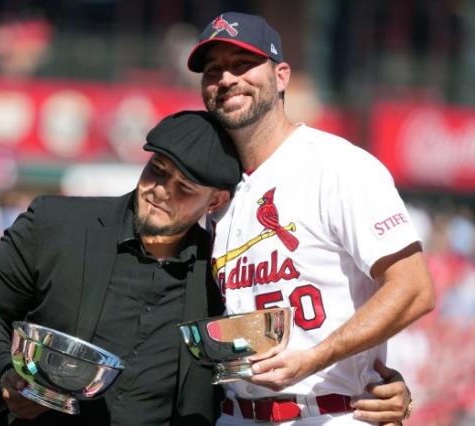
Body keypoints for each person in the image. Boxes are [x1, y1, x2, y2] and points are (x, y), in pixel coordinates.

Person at [186, 12, 435, 425]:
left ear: (281, 76)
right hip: (232, 413)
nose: (227, 78)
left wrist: (314, 359)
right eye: (213, 70)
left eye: (243, 64)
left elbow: (414, 288)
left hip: (328, 411)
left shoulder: (337, 165)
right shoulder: (215, 190)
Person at [0, 110, 241, 426]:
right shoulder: (55, 224)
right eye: (156, 170)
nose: (161, 190)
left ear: (215, 202)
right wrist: (3, 376)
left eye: (184, 187)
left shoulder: (222, 274)